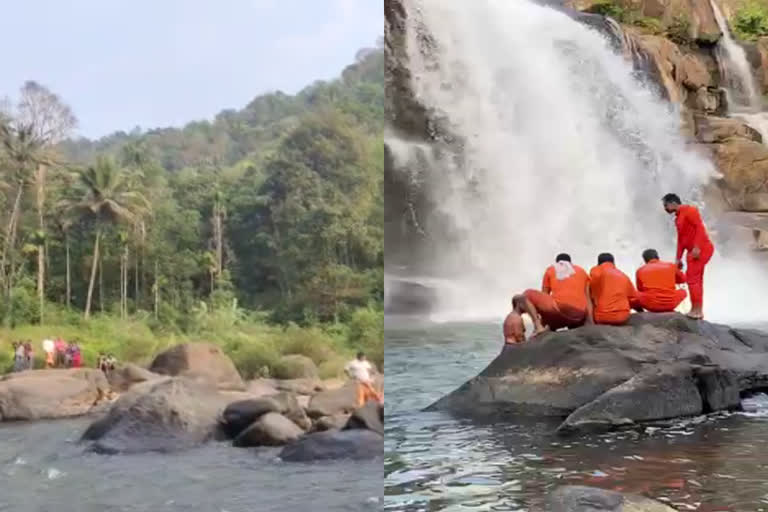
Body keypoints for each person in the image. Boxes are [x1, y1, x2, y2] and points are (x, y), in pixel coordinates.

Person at [512, 253, 593, 337]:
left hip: (560, 311)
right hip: (578, 315)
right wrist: (590, 322)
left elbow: (544, 295)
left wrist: (542, 321)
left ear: (557, 262)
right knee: (557, 311)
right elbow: (588, 298)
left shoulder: (551, 269)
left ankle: (538, 326)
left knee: (527, 293)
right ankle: (551, 326)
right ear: (570, 263)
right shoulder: (582, 271)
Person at [662, 193, 714, 320]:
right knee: (696, 280)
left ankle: (697, 310)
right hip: (693, 251)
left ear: (673, 203)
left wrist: (697, 247)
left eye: (665, 205)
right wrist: (678, 258)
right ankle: (697, 309)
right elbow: (681, 240)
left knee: (692, 280)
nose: (665, 208)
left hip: (701, 249)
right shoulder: (678, 218)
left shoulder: (690, 210)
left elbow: (700, 229)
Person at [589, 253, 640, 326]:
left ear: (598, 263)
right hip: (622, 317)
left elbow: (592, 294)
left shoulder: (594, 271)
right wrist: (640, 311)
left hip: (601, 317)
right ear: (613, 263)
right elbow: (633, 298)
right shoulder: (622, 275)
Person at [634, 249, 687, 313]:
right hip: (671, 302)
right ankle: (668, 309)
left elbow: (640, 289)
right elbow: (683, 279)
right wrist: (677, 270)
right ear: (658, 257)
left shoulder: (640, 270)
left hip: (652, 304)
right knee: (683, 292)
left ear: (645, 260)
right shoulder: (670, 265)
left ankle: (641, 312)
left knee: (634, 294)